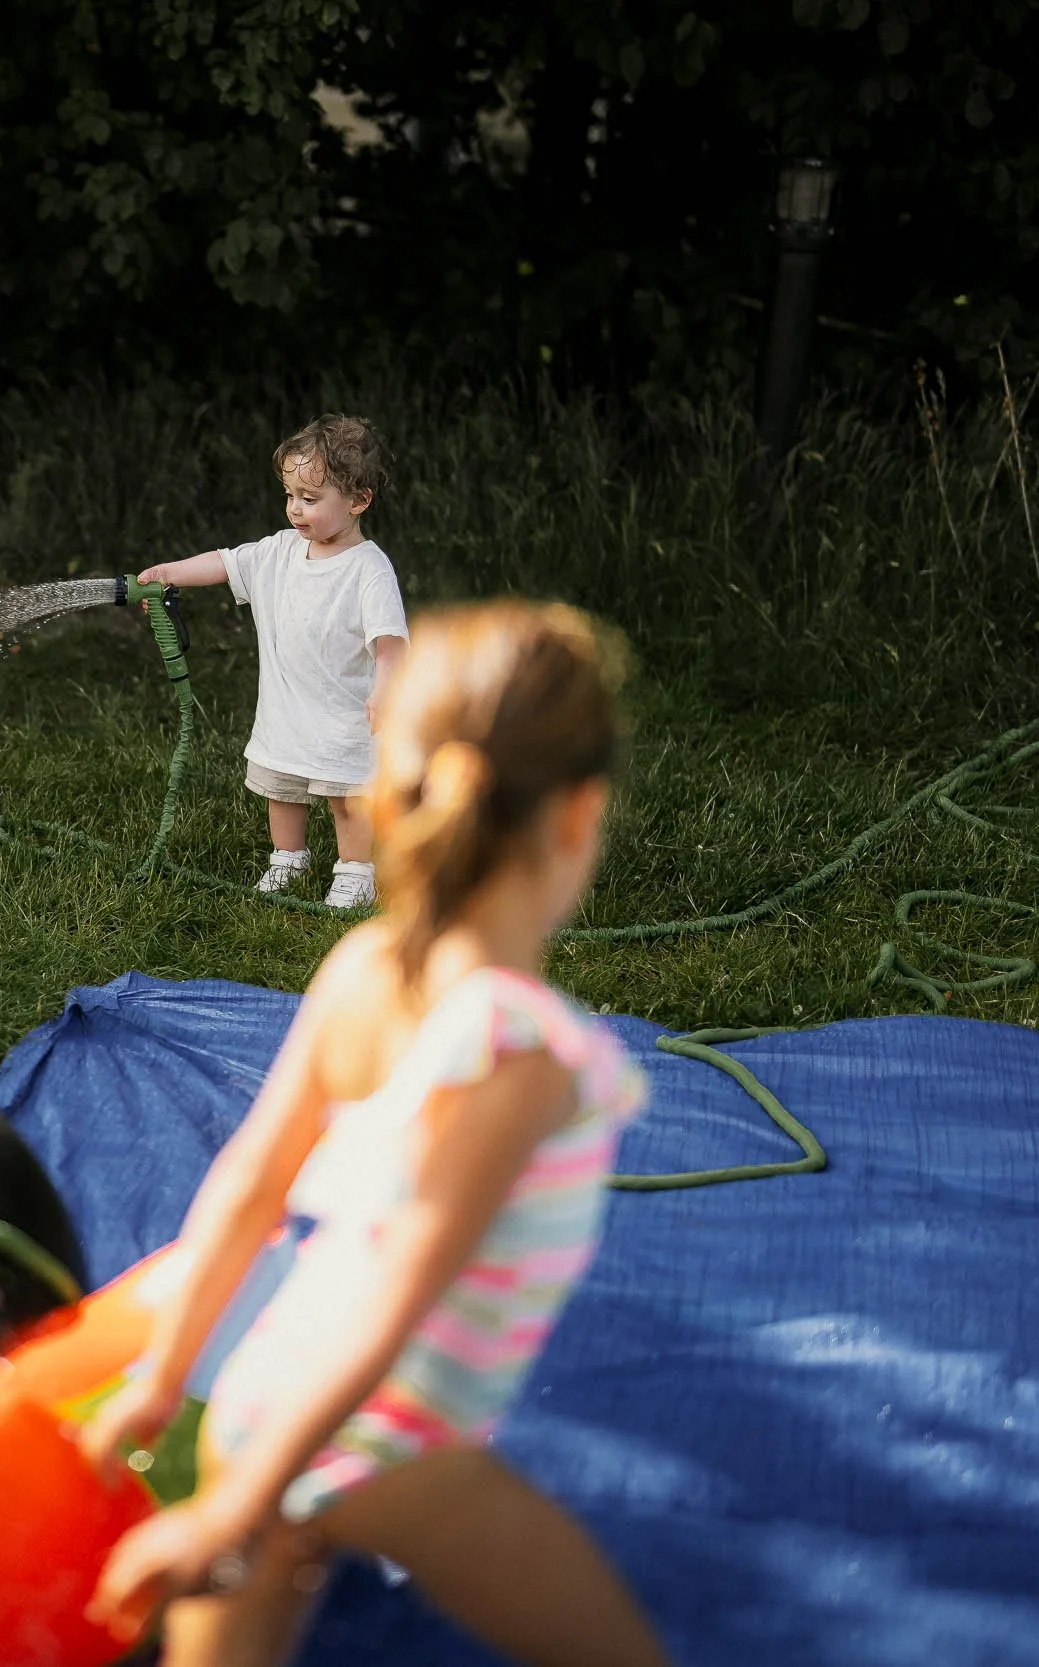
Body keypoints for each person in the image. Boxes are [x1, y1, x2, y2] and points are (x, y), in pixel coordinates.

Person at [75, 601, 664, 1667]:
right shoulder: (518, 1047)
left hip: (267, 1393)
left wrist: (166, 1376)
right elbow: (402, 1294)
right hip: (386, 1443)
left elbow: (249, 1185)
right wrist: (240, 1503)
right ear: (578, 816)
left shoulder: (362, 972)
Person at [136, 414, 408, 911]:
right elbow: (225, 562)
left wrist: (386, 687)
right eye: (290, 496)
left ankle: (354, 872)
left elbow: (390, 641)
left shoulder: (368, 569)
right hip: (286, 709)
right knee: (282, 789)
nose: (295, 511)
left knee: (347, 797)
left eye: (310, 499)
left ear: (358, 501)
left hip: (347, 714)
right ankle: (287, 859)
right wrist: (170, 571)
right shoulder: (280, 552)